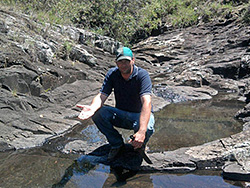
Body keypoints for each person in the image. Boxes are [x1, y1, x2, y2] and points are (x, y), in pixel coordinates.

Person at [77, 47, 155, 161]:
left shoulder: (142, 75)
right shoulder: (113, 74)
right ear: (116, 62)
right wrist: (92, 108)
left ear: (133, 60)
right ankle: (117, 144)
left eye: (126, 61)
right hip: (121, 114)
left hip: (138, 116)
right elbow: (102, 95)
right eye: (120, 62)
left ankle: (139, 145)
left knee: (147, 127)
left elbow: (147, 102)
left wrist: (141, 132)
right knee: (98, 113)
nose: (124, 65)